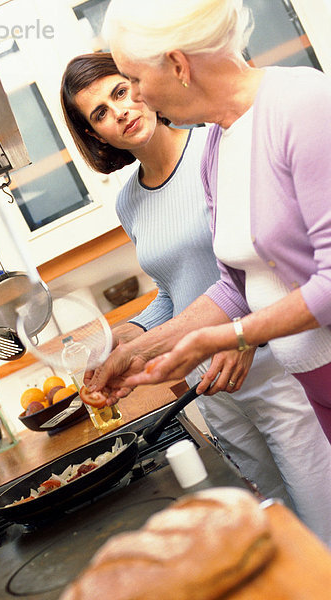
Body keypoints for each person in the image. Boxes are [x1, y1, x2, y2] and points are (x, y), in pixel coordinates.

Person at [60, 52, 331, 545]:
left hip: (272, 364)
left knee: (323, 524)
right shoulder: (130, 201)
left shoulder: (216, 140)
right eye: (99, 112)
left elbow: (267, 266)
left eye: (120, 91)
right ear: (96, 136)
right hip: (209, 388)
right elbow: (177, 287)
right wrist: (134, 334)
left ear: (143, 84)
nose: (119, 111)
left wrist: (241, 338)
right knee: (270, 534)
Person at [95, 0, 331, 444]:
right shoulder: (217, 146)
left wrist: (225, 338)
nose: (138, 98)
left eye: (136, 81)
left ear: (179, 65)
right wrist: (140, 352)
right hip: (318, 387)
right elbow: (235, 289)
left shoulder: (302, 103)